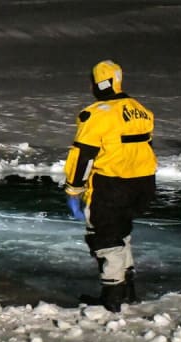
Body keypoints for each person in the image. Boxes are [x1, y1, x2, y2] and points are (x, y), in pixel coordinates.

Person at [63, 60, 156, 312]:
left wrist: (74, 189)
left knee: (105, 237)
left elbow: (83, 156)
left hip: (111, 184)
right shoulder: (139, 109)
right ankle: (128, 290)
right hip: (142, 184)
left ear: (99, 84)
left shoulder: (97, 115)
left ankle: (112, 297)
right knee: (122, 232)